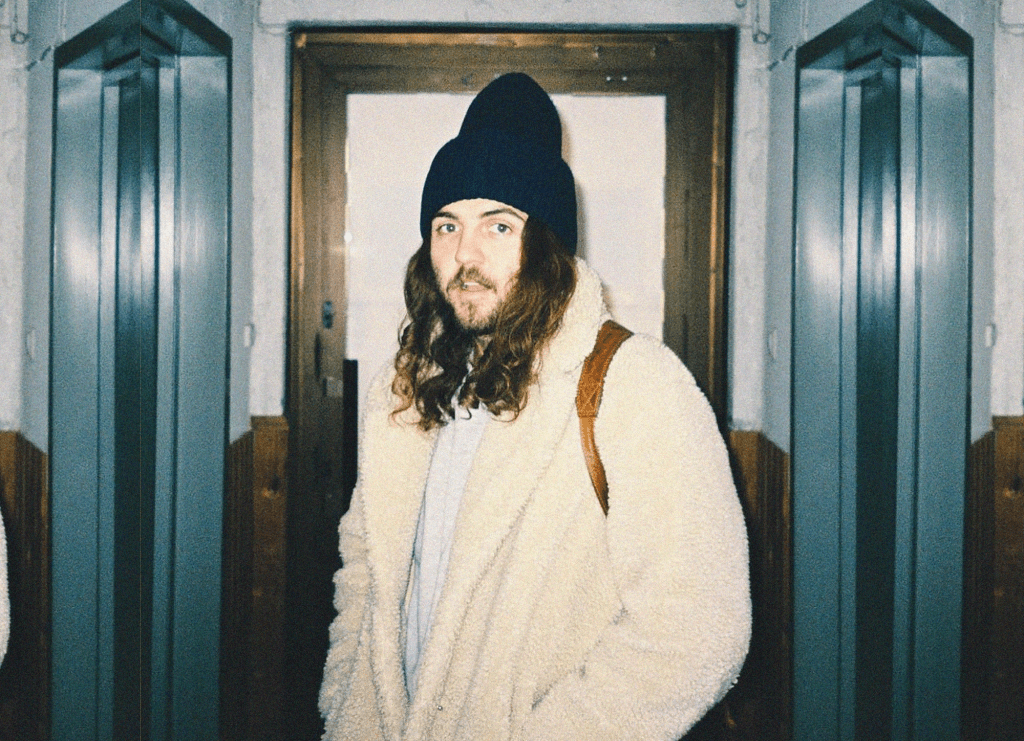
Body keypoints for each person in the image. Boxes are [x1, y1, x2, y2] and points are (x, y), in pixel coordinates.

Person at [319, 72, 750, 741]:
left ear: (547, 243)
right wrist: (347, 705)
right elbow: (364, 571)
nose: (465, 252)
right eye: (446, 224)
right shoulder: (400, 391)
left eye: (499, 224)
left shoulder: (636, 386)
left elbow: (699, 630)